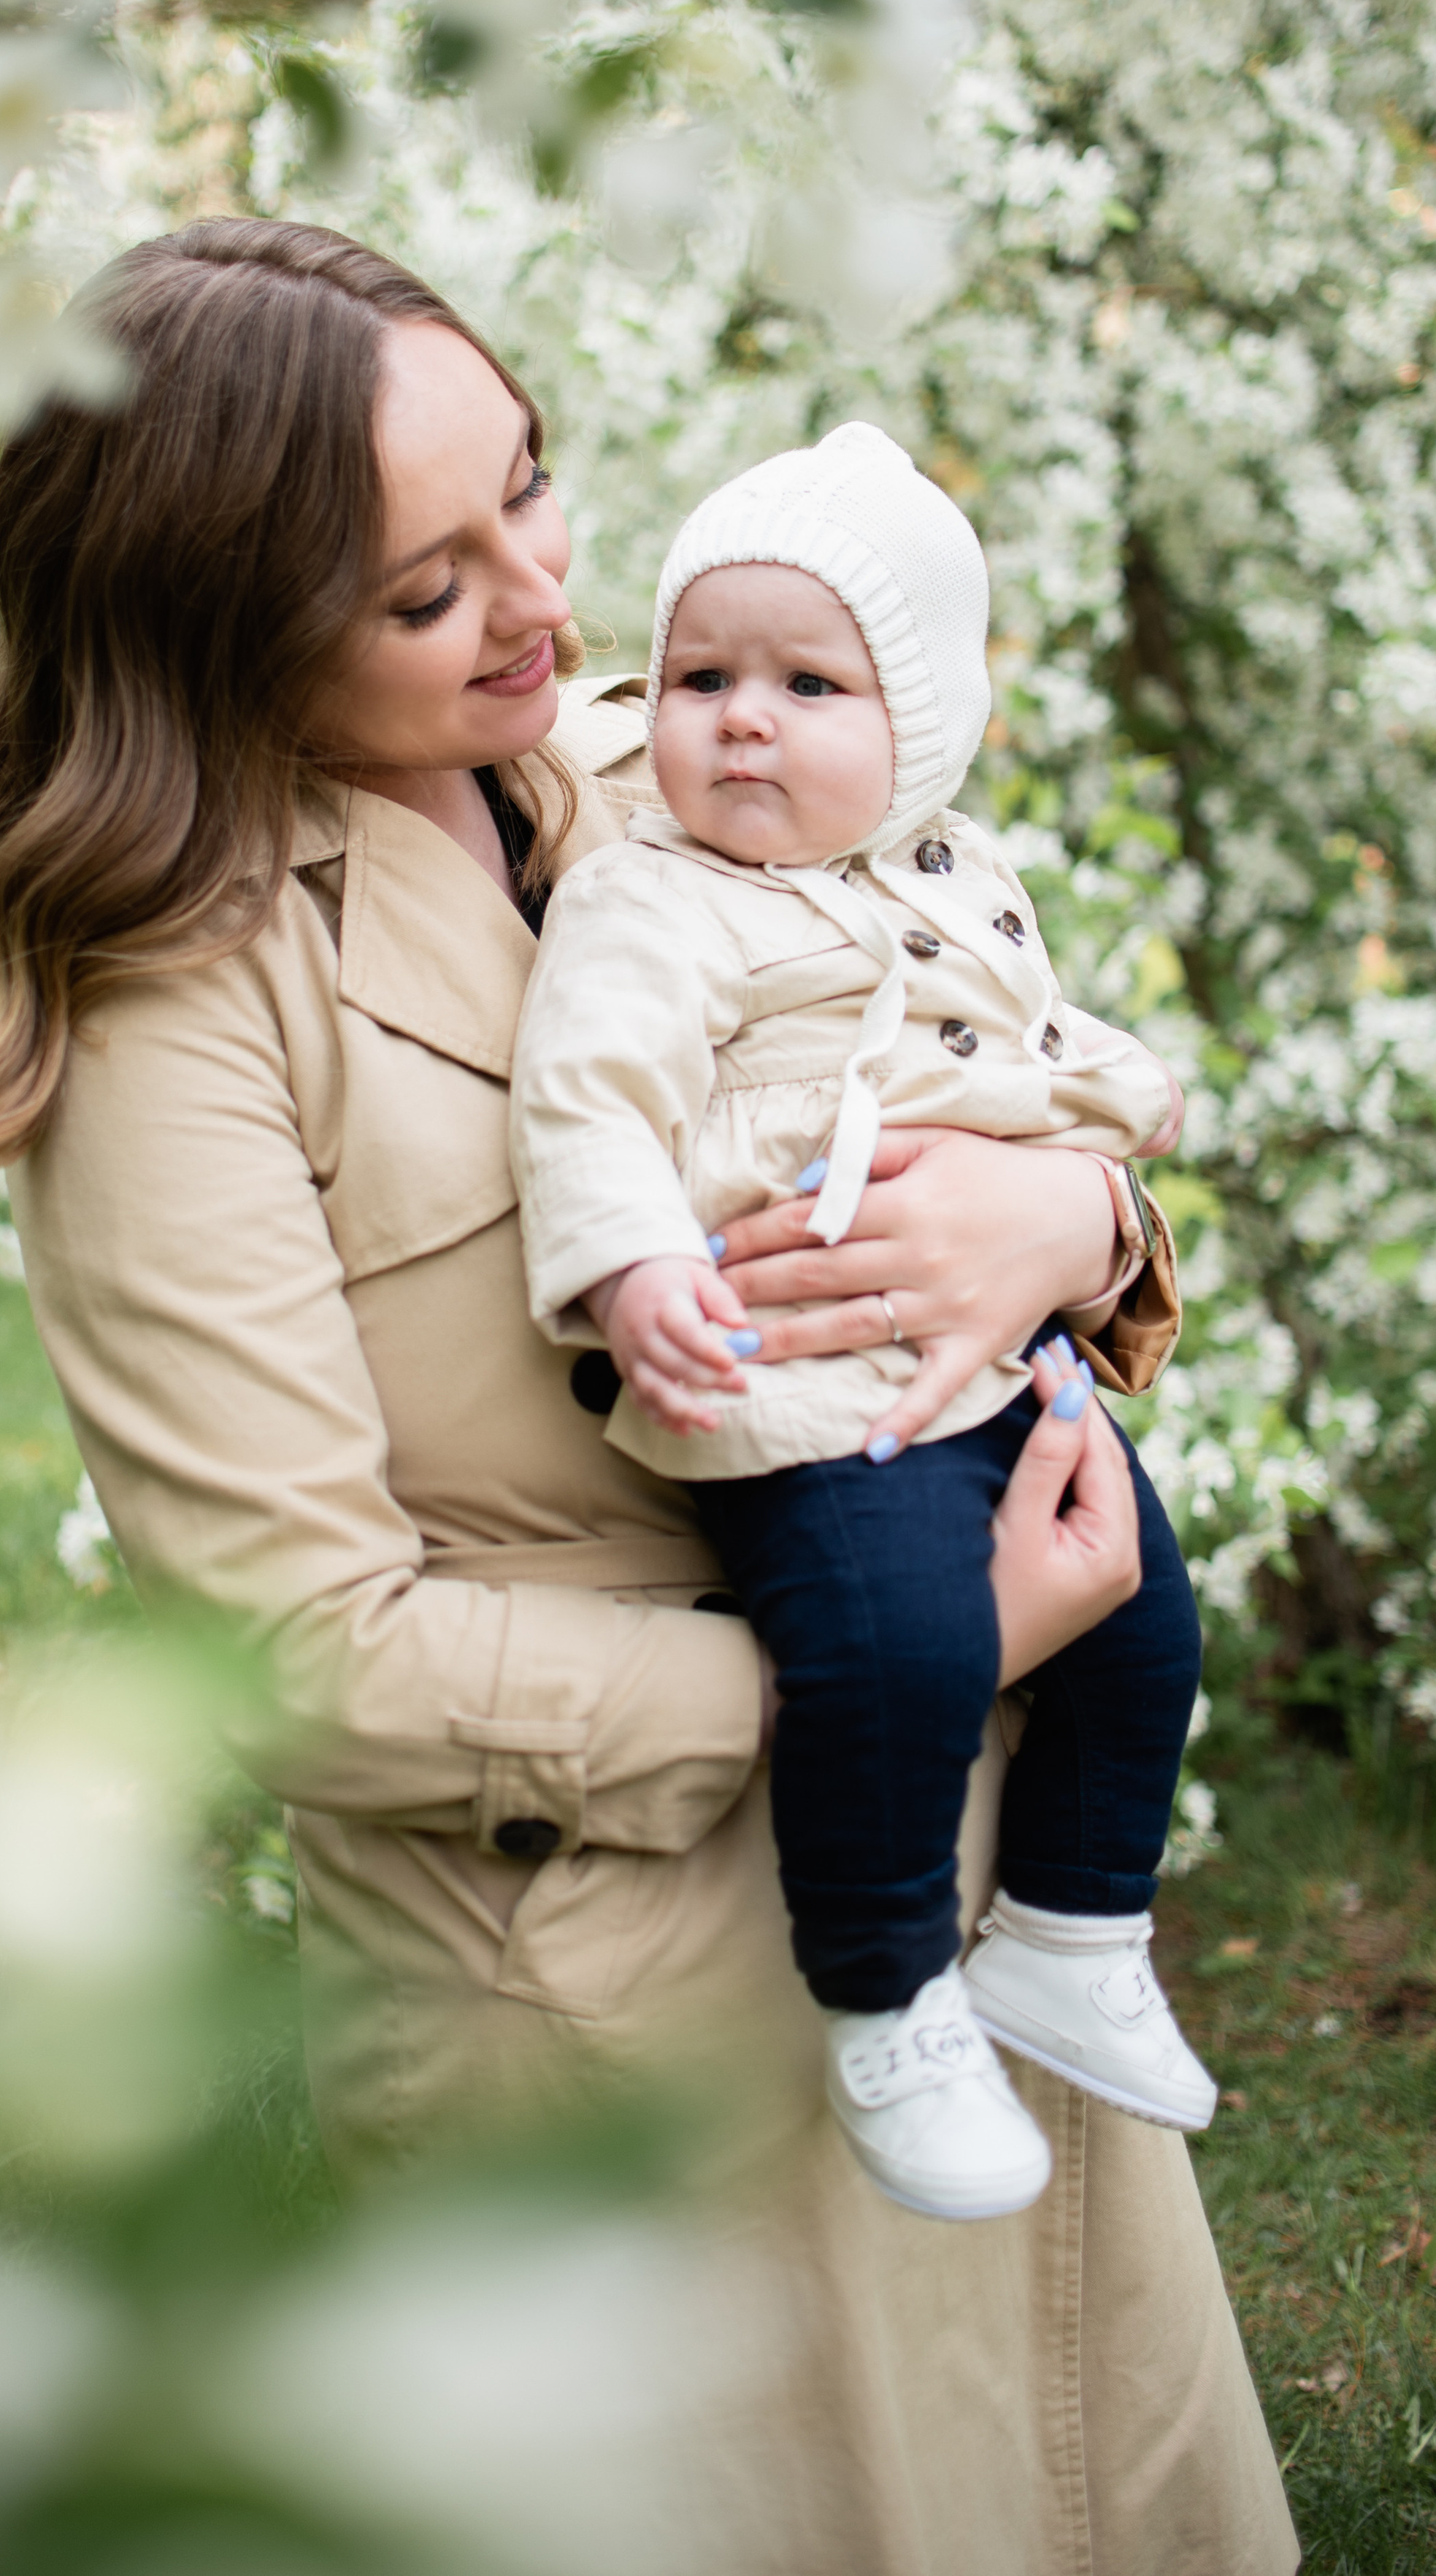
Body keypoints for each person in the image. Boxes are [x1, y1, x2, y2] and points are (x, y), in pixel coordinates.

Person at [0, 218, 1295, 2574]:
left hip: (961, 1861)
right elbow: (299, 1651)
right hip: (624, 1985)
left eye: (527, 487)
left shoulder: (661, 760)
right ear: (229, 624)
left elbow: (980, 1044)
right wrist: (876, 1669)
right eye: (424, 589)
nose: (542, 599)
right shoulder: (181, 1014)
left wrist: (1078, 1229)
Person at [510, 428, 1216, 2226]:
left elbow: (1014, 1031)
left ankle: (1070, 1928)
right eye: (699, 676)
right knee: (896, 1639)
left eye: (807, 684)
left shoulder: (945, 868)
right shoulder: (648, 894)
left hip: (984, 1350)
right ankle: (888, 1993)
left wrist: (1120, 1098)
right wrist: (632, 1266)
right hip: (804, 1371)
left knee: (1142, 1605)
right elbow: (588, 1095)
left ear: (918, 736)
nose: (740, 718)